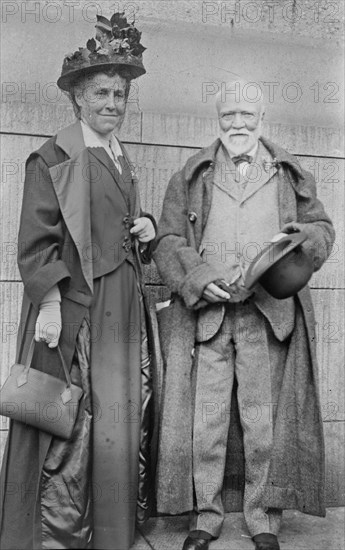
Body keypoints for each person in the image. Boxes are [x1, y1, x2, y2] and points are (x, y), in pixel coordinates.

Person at [153, 79, 335, 550]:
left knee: (262, 424)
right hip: (209, 317)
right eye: (228, 115)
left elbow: (321, 229)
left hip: (267, 315)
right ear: (218, 118)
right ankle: (205, 516)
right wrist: (195, 277)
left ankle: (263, 520)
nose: (237, 124)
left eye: (246, 116)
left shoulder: (289, 174)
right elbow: (168, 241)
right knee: (205, 425)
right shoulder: (191, 175)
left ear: (262, 119)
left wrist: (304, 239)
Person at [0, 12, 156, 550]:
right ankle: (53, 536)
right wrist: (45, 304)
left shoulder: (120, 157)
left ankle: (111, 532)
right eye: (102, 94)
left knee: (116, 415)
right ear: (78, 100)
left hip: (122, 306)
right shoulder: (53, 158)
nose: (112, 104)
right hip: (73, 307)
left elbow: (116, 221)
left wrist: (147, 225)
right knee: (67, 417)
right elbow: (36, 241)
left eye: (120, 95)